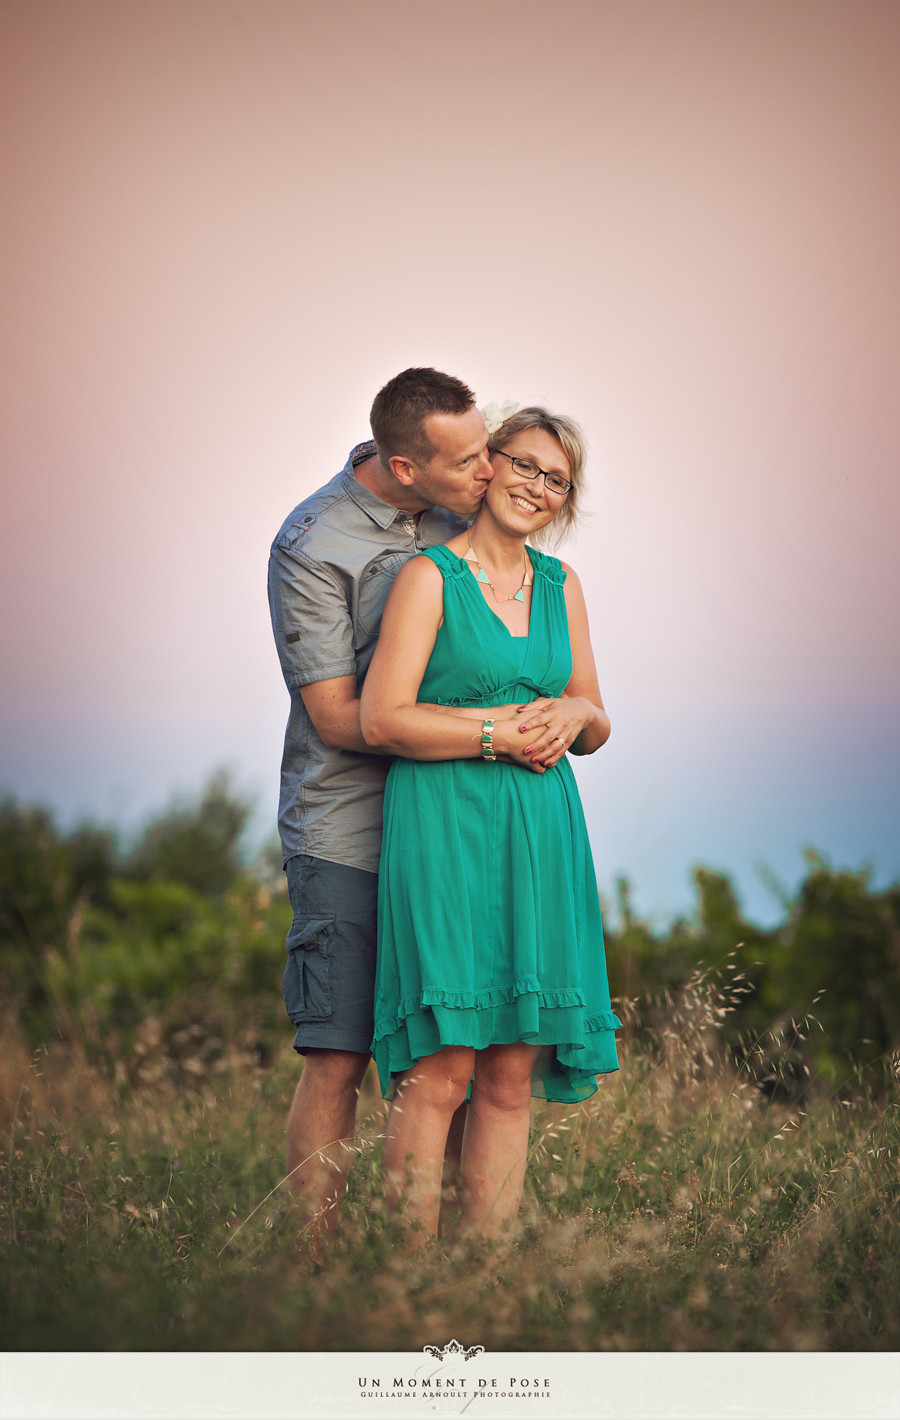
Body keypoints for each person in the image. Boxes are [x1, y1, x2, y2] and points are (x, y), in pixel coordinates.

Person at [268, 367, 529, 1240]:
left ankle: (444, 1273)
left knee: (453, 1051)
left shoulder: (465, 510)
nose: (488, 472)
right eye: (466, 462)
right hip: (351, 829)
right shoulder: (311, 543)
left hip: (456, 823)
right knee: (339, 1054)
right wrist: (492, 728)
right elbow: (342, 716)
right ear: (404, 467)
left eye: (486, 448)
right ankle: (315, 1267)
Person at [360, 405, 621, 1245]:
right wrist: (492, 732)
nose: (536, 487)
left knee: (510, 1071)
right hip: (444, 827)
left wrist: (576, 705)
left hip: (541, 834)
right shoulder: (428, 577)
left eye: (557, 480)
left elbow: (599, 723)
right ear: (489, 464)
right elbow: (381, 719)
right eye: (525, 465)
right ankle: (406, 1286)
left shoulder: (562, 586)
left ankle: (485, 1286)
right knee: (441, 1068)